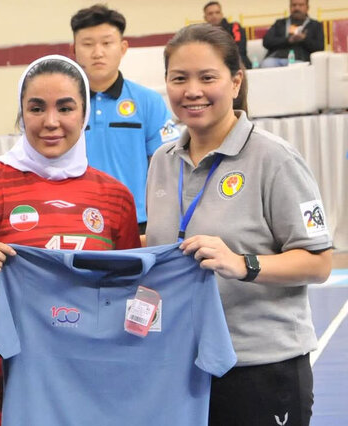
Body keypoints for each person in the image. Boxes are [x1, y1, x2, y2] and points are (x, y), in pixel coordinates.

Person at [146, 24, 332, 425]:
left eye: (207, 77)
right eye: (179, 79)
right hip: (181, 367)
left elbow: (319, 263)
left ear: (235, 81)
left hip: (260, 370)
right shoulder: (162, 161)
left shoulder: (275, 158)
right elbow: (164, 240)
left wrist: (242, 263)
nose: (192, 91)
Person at [0, 55, 140, 425]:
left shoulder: (115, 198)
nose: (50, 122)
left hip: (91, 389)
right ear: (21, 114)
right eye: (36, 108)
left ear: (84, 114)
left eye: (65, 108)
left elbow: (132, 296)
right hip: (0, 396)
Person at [70, 4, 174, 235]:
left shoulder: (149, 101)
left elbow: (168, 166)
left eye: (107, 43)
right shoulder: (62, 105)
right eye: (88, 44)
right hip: (76, 221)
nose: (98, 52)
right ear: (73, 49)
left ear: (123, 47)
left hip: (138, 223)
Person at [261, 0, 324, 67]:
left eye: (301, 5)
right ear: (290, 7)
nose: (297, 8)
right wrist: (288, 40)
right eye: (294, 5)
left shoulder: (315, 25)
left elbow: (320, 47)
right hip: (276, 58)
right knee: (266, 64)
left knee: (298, 67)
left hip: (300, 60)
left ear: (307, 8)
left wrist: (304, 39)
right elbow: (266, 42)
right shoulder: (280, 23)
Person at [203, 1, 253, 69]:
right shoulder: (202, 34)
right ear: (205, 17)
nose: (214, 16)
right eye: (210, 14)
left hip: (238, 63)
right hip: (212, 66)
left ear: (222, 14)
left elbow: (240, 49)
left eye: (217, 12)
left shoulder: (235, 27)